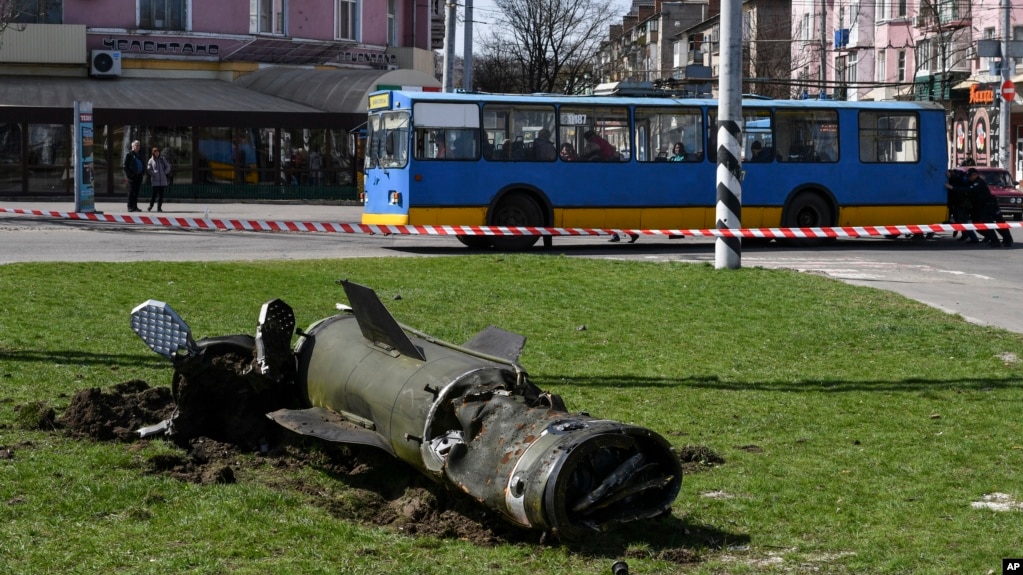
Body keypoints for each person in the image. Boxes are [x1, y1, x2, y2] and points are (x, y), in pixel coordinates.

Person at [965, 167, 1013, 247]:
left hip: (990, 206)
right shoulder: (972, 182)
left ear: (975, 175)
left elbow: (970, 190)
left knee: (999, 223)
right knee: (988, 224)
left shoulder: (979, 182)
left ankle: (1007, 239)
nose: (968, 178)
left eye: (970, 176)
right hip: (983, 207)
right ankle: (995, 240)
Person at [945, 168, 978, 243]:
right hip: (956, 203)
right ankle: (965, 234)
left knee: (963, 221)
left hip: (962, 203)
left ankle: (974, 238)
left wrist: (952, 177)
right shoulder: (955, 178)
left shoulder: (960, 176)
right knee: (959, 220)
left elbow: (962, 182)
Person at [146, 146, 171, 212]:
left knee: (161, 195)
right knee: (154, 195)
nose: (157, 153)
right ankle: (151, 206)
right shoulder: (151, 160)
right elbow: (148, 169)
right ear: (153, 153)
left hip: (162, 180)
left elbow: (168, 166)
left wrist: (165, 172)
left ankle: (159, 207)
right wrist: (153, 174)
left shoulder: (162, 159)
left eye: (158, 152)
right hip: (155, 181)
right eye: (155, 152)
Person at [122, 140, 145, 212]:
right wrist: (130, 175)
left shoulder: (139, 154)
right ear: (133, 146)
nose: (138, 146)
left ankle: (135, 206)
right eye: (136, 145)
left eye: (139, 145)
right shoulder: (129, 154)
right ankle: (130, 207)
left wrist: (142, 172)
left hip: (139, 176)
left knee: (136, 192)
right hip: (132, 177)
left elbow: (142, 164)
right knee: (131, 192)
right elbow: (125, 166)